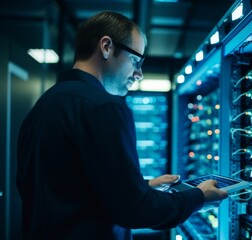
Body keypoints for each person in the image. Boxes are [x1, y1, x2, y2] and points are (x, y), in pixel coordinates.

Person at [16, 11, 228, 240]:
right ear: (106, 47)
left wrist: (141, 186)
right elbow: (136, 211)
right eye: (136, 61)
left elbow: (65, 188)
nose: (139, 74)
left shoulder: (43, 105)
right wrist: (198, 197)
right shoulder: (105, 107)